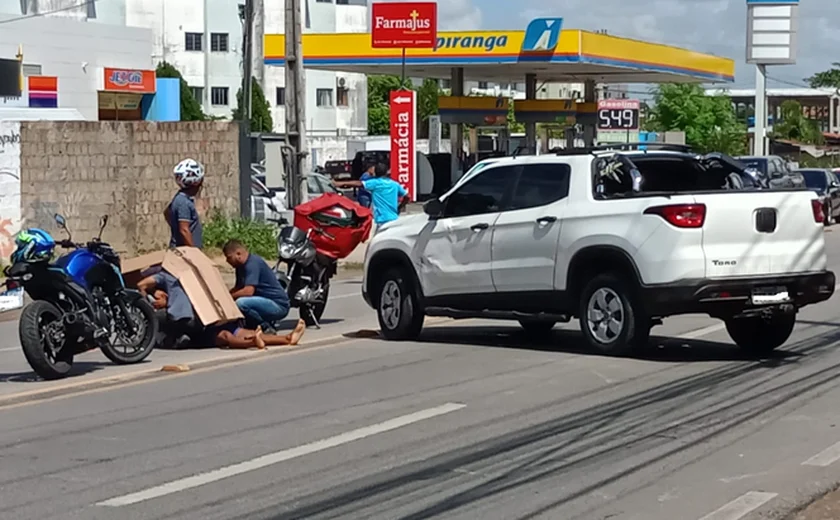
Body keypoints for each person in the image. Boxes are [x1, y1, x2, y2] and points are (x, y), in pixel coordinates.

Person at [138, 273, 306, 349]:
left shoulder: (166, 278)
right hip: (206, 321)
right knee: (227, 336)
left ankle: (286, 338)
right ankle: (254, 342)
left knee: (247, 332)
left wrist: (147, 297)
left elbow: (141, 285)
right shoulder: (191, 276)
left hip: (208, 320)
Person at [223, 239, 291, 330]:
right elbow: (238, 288)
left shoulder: (252, 264)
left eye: (229, 257)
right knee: (237, 302)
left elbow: (248, 291)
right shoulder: (240, 268)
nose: (227, 261)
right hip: (263, 302)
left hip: (278, 305)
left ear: (238, 254)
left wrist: (229, 296)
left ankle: (265, 327)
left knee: (241, 303)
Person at [334, 162, 408, 229]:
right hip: (394, 218)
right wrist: (400, 207)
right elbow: (408, 196)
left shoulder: (375, 183)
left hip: (382, 219)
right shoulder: (394, 184)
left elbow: (358, 183)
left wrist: (340, 183)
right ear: (386, 172)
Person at [164, 158, 205, 248]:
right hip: (184, 253)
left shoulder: (180, 198)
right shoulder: (184, 203)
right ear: (196, 182)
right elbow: (184, 230)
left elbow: (167, 212)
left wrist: (175, 228)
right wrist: (194, 253)